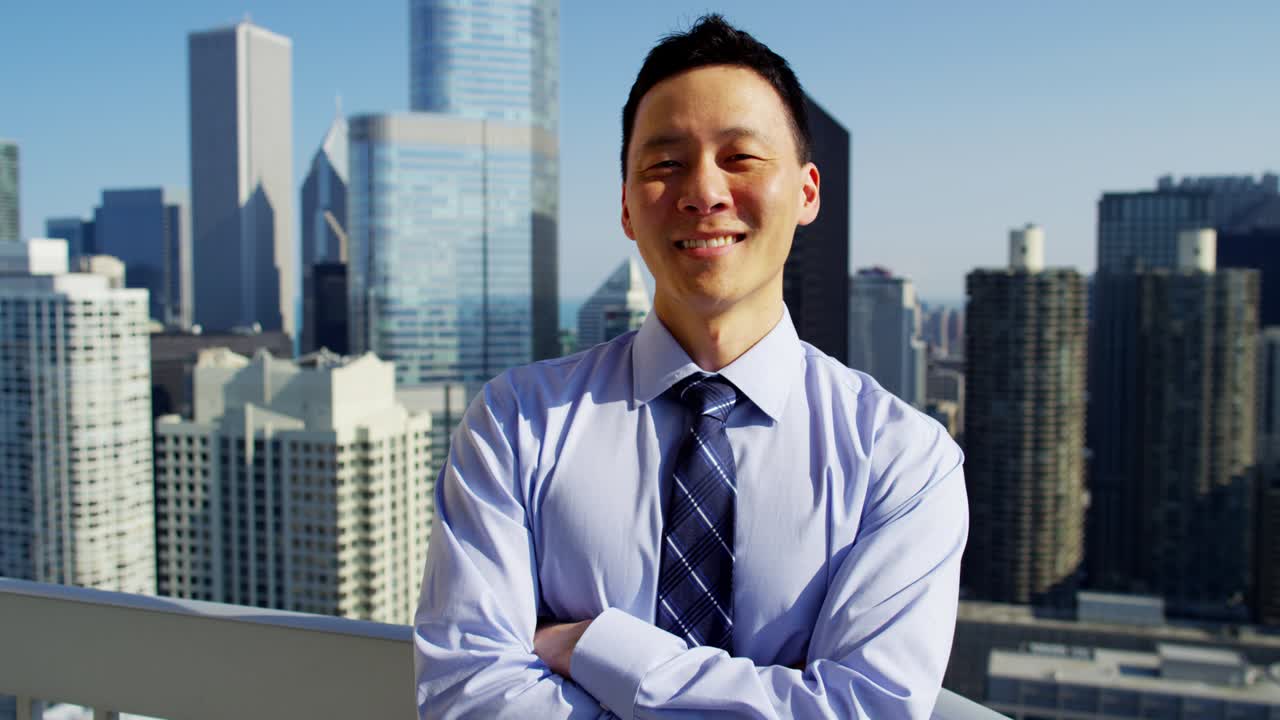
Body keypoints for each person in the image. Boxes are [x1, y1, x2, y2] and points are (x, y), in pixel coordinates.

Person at [414, 14, 968, 719]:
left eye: (740, 159)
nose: (703, 192)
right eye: (664, 164)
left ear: (806, 192)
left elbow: (869, 711)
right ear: (624, 206)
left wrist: (595, 648)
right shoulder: (516, 424)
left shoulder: (901, 462)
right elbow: (467, 697)